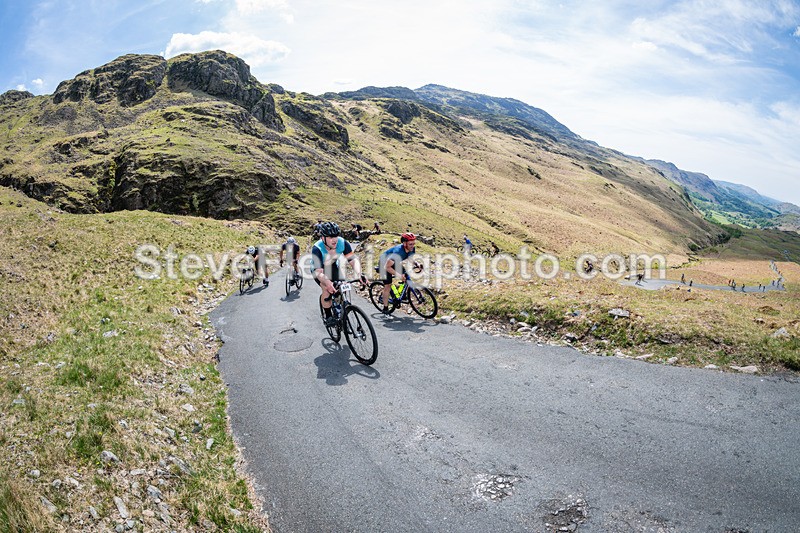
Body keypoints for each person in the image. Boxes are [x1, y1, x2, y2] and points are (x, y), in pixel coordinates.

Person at [311, 222, 368, 326]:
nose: (334, 240)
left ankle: (339, 306)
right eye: (330, 237)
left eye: (336, 236)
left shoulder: (342, 242)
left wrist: (360, 274)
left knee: (341, 287)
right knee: (327, 289)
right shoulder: (317, 249)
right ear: (323, 238)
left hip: (332, 266)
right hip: (319, 270)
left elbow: (352, 260)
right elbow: (319, 273)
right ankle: (328, 316)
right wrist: (328, 283)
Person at [378, 233, 417, 315]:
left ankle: (402, 295)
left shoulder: (411, 248)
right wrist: (399, 276)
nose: (412, 246)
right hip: (384, 264)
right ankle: (385, 309)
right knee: (388, 286)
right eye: (410, 244)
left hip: (394, 262)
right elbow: (387, 267)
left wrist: (417, 264)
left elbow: (410, 258)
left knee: (406, 275)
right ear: (404, 243)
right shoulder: (398, 252)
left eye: (413, 243)